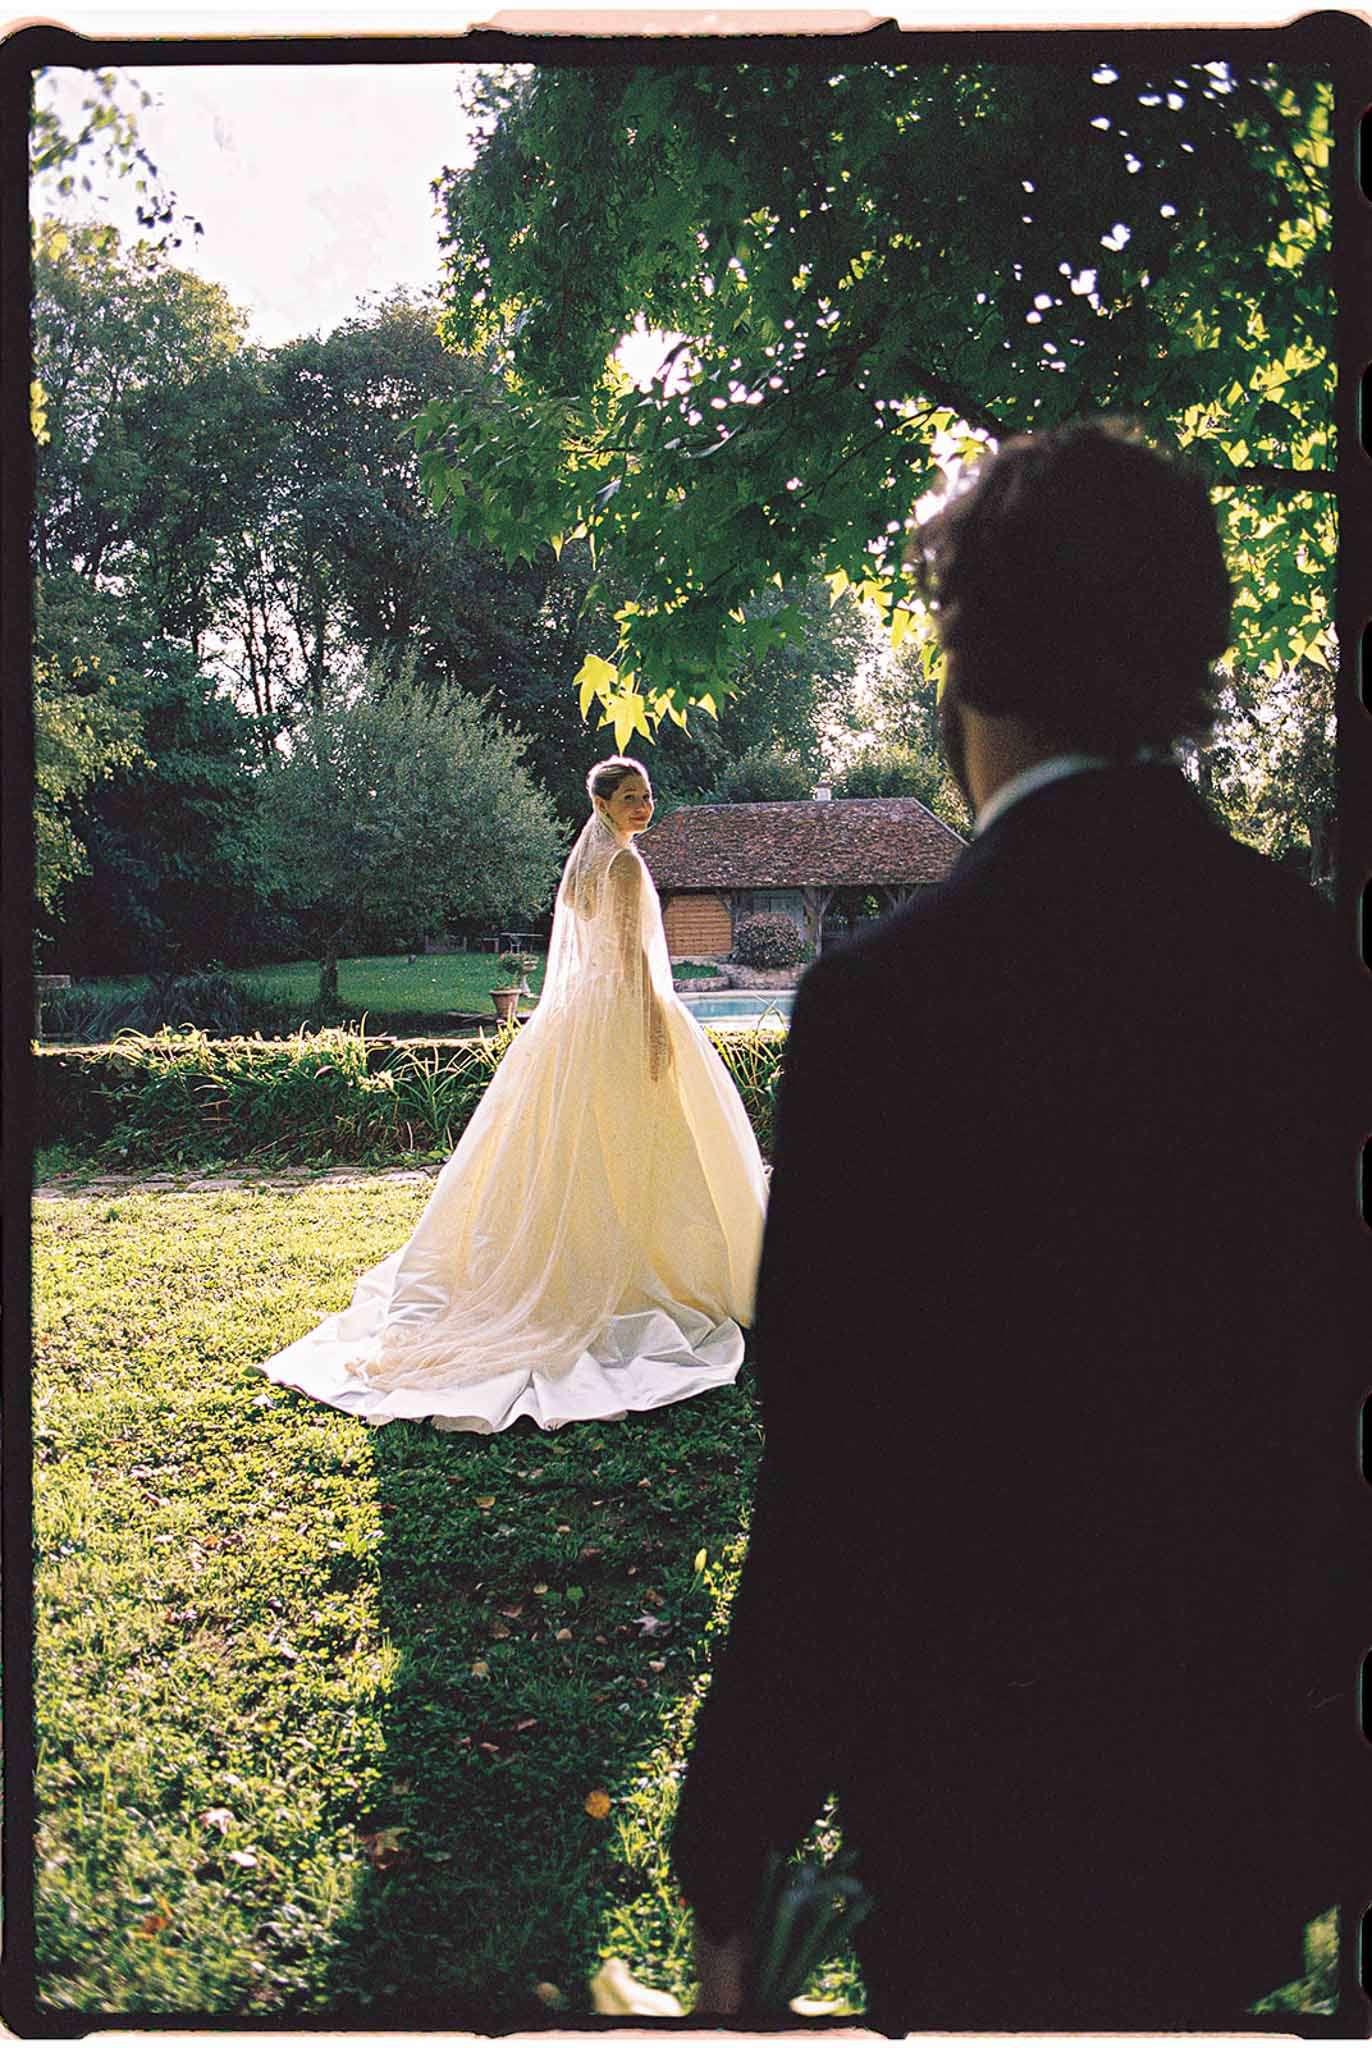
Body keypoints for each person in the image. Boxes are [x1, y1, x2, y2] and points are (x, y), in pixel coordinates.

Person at [670, 421, 1367, 2030]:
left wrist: (738, 1834)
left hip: (972, 1794)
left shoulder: (887, 1002)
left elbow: (836, 1465)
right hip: (1243, 1791)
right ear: (1189, 662)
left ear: (965, 663)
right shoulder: (1310, 968)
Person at [257, 757, 767, 1433]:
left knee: (584, 1143)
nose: (645, 807)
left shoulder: (587, 863)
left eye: (648, 797)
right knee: (639, 1138)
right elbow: (629, 958)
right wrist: (653, 1028)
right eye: (632, 799)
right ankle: (643, 1266)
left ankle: (598, 1251)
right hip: (622, 1010)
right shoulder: (620, 867)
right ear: (605, 805)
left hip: (581, 1016)